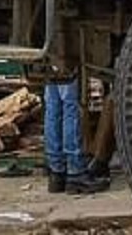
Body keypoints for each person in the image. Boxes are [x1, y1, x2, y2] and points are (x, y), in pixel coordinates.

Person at [42, 23, 108, 194]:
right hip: (64, 44)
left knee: (52, 106)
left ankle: (56, 172)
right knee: (70, 107)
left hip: (50, 41)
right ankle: (75, 170)